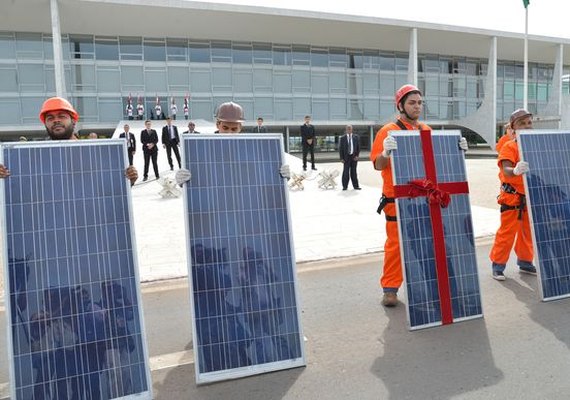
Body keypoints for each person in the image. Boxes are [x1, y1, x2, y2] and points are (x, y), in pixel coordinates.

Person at [370, 84, 467, 307]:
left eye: (419, 102)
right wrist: (385, 151)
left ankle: (439, 286)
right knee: (396, 245)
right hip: (397, 199)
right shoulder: (388, 131)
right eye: (412, 102)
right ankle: (390, 288)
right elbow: (377, 164)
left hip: (425, 198)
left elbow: (437, 162)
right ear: (400, 106)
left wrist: (457, 150)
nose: (417, 106)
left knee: (431, 242)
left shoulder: (426, 130)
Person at [0, 97, 137, 184]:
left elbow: (107, 189)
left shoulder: (94, 153)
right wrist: (4, 176)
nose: (56, 120)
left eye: (61, 116)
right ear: (45, 124)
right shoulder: (34, 158)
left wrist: (128, 180)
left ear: (74, 121)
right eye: (50, 118)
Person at [489, 108, 536, 281]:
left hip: (530, 198)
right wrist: (515, 170)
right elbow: (506, 169)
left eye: (529, 123)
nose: (527, 126)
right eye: (522, 123)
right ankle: (498, 265)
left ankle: (525, 262)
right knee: (507, 234)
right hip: (512, 198)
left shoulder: (535, 146)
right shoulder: (510, 146)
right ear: (513, 128)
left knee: (527, 234)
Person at [339, 125, 361, 191]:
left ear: (352, 129)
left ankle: (356, 186)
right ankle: (345, 186)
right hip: (346, 158)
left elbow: (358, 147)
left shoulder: (356, 137)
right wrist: (341, 158)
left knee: (354, 172)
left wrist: (357, 156)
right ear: (346, 130)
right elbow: (340, 149)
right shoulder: (342, 138)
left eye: (350, 129)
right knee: (346, 172)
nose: (349, 130)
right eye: (347, 129)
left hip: (354, 157)